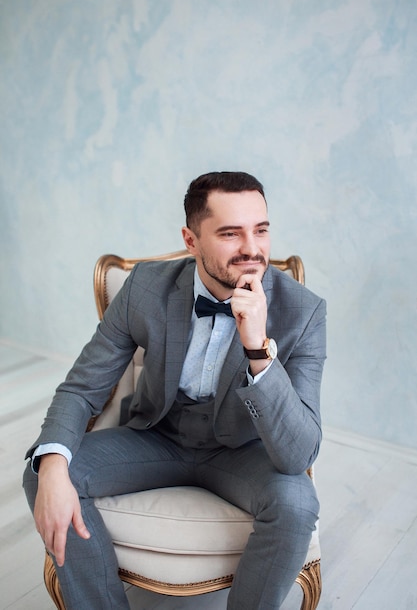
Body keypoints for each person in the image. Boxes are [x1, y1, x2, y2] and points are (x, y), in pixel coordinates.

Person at [23, 171, 326, 609]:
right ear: (191, 239)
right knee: (44, 466)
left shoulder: (305, 312)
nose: (252, 249)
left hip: (243, 450)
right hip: (158, 434)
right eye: (229, 233)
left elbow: (299, 456)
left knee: (296, 505)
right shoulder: (144, 288)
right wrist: (52, 468)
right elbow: (81, 388)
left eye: (261, 229)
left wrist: (259, 349)